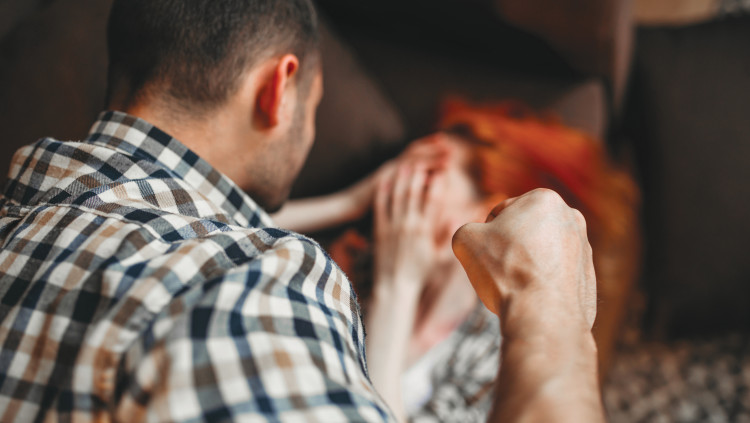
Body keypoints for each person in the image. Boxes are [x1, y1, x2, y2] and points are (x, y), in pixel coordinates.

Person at [0, 1, 604, 422]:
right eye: (313, 110)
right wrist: (547, 297)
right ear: (278, 91)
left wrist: (351, 207)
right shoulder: (285, 279)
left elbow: (187, 216)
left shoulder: (34, 204)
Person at [274, 101, 637, 421]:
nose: (397, 190)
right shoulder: (362, 260)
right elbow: (240, 239)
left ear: (488, 216)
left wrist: (397, 289)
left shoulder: (497, 348)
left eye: (424, 181)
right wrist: (347, 203)